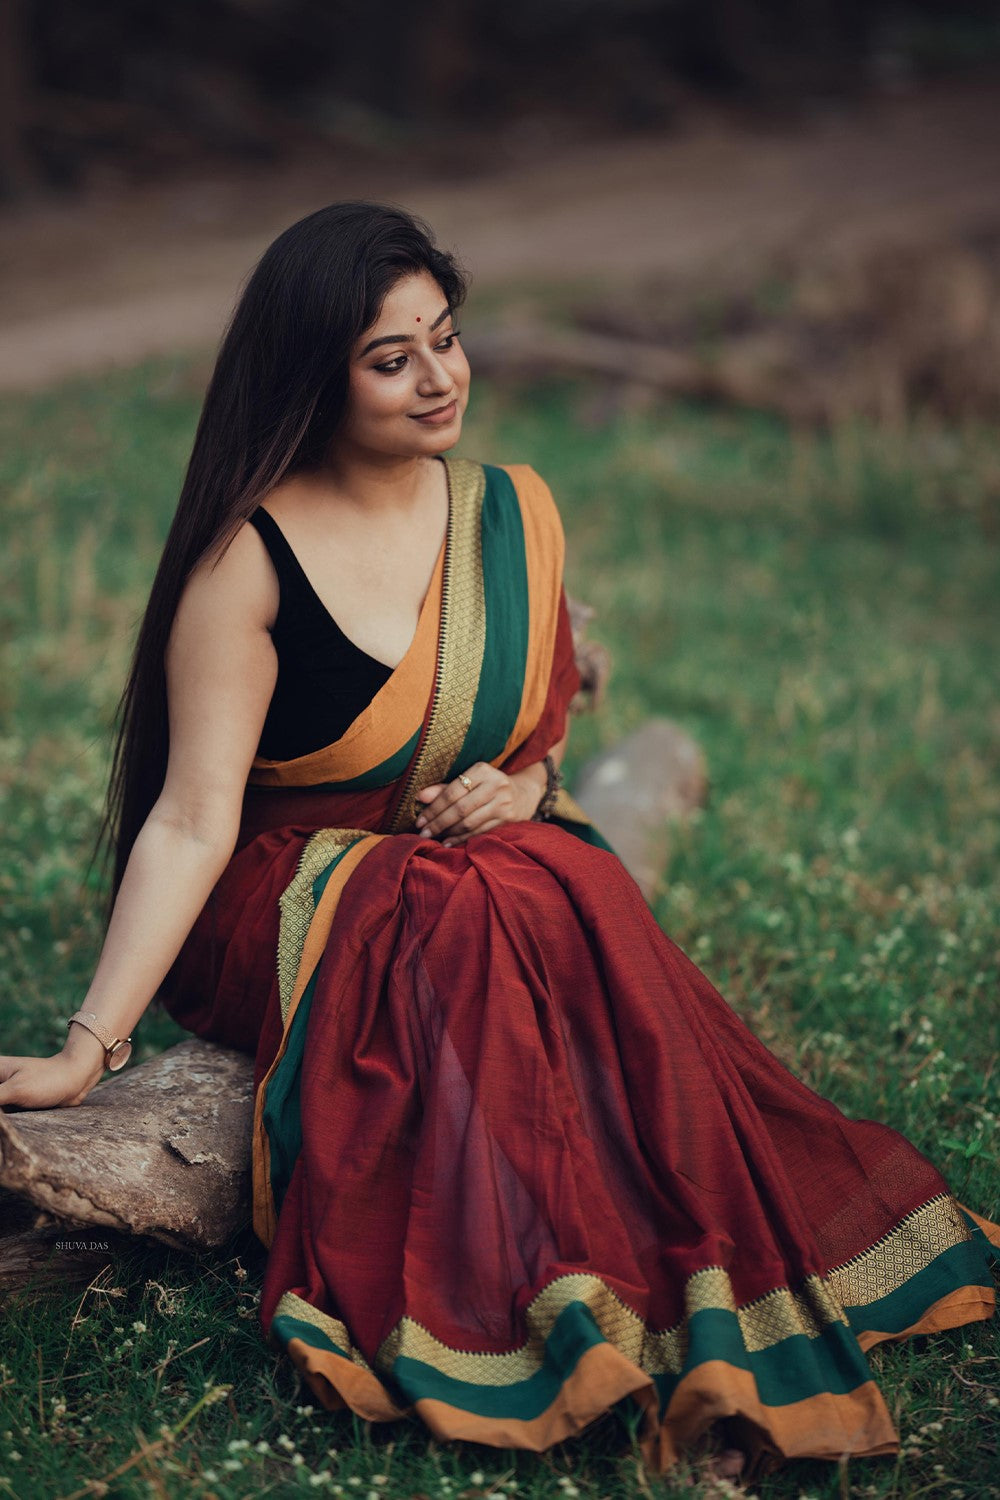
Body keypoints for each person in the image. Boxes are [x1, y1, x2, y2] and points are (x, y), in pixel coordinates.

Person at [0, 202, 996, 1478]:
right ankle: (544, 1296)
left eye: (446, 338)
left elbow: (537, 734)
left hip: (468, 870)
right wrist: (89, 1051)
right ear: (315, 375)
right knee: (482, 907)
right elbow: (194, 819)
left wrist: (526, 792)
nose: (437, 378)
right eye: (389, 357)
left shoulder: (512, 514)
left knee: (549, 873)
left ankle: (652, 1267)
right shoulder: (245, 564)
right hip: (278, 896)